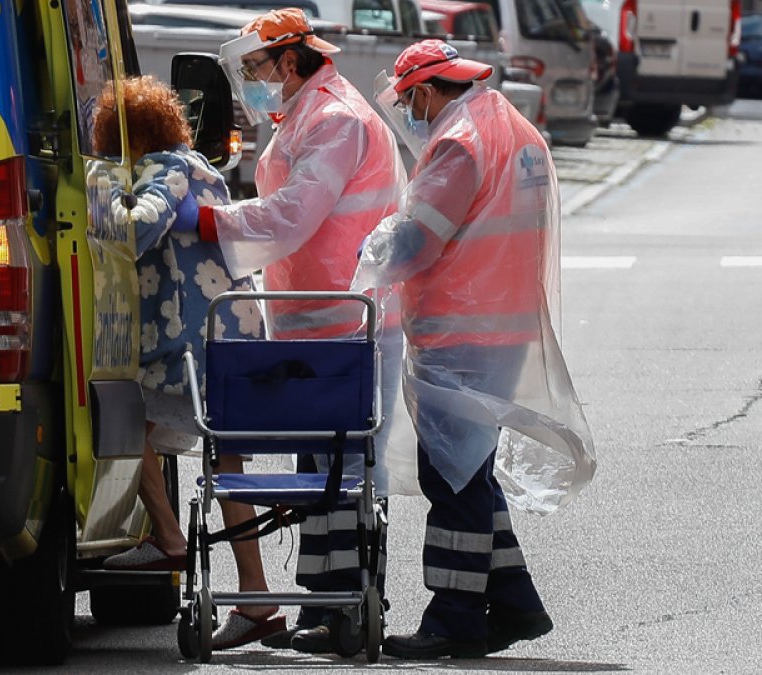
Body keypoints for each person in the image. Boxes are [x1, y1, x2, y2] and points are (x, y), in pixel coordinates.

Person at [351, 39, 597, 659]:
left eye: (409, 99)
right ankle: (515, 603)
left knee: (452, 477)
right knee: (470, 471)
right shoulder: (513, 128)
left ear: (430, 90)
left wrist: (370, 255)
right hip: (501, 327)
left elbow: (417, 241)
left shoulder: (460, 141)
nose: (409, 110)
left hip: (462, 329)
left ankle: (453, 618)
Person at [192, 8, 417, 654]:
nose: (251, 84)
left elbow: (293, 214)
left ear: (291, 63)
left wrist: (212, 223)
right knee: (325, 469)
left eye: (257, 69)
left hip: (345, 323)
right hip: (319, 324)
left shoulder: (335, 119)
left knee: (343, 469)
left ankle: (344, 608)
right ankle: (327, 604)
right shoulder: (310, 114)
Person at [92, 75, 289, 650]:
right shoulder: (197, 163)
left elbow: (135, 228)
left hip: (188, 342)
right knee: (227, 462)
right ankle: (255, 596)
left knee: (123, 420)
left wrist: (94, 192)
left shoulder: (162, 168)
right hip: (227, 336)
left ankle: (170, 537)